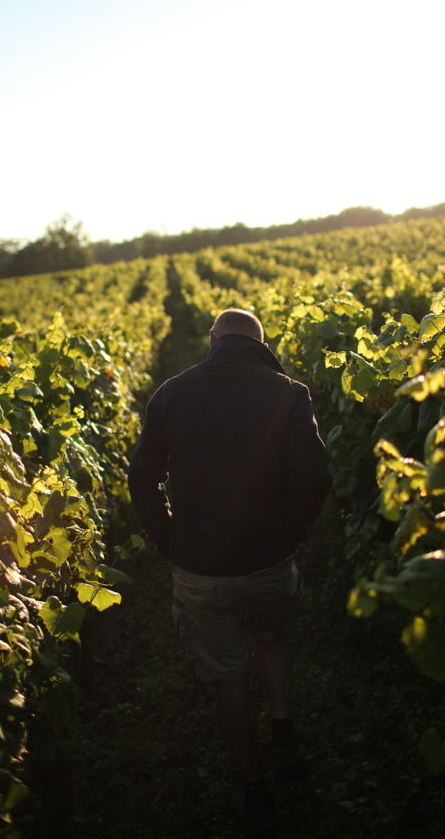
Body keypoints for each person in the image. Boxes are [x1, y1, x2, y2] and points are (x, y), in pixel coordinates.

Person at [128, 307, 331, 834]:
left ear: (214, 339)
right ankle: (284, 734)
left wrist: (168, 538)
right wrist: (293, 530)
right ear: (259, 343)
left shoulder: (170, 393)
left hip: (199, 565)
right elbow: (314, 474)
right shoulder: (290, 393)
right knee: (270, 635)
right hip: (268, 557)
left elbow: (141, 478)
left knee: (227, 676)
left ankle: (254, 789)